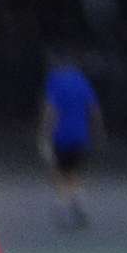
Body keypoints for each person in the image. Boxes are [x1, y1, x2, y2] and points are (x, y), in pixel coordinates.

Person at [39, 49, 99, 226]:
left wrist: (44, 131)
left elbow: (51, 108)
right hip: (81, 134)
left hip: (61, 134)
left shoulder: (54, 80)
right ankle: (77, 204)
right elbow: (94, 108)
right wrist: (97, 130)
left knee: (59, 171)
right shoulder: (82, 81)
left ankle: (61, 203)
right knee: (72, 172)